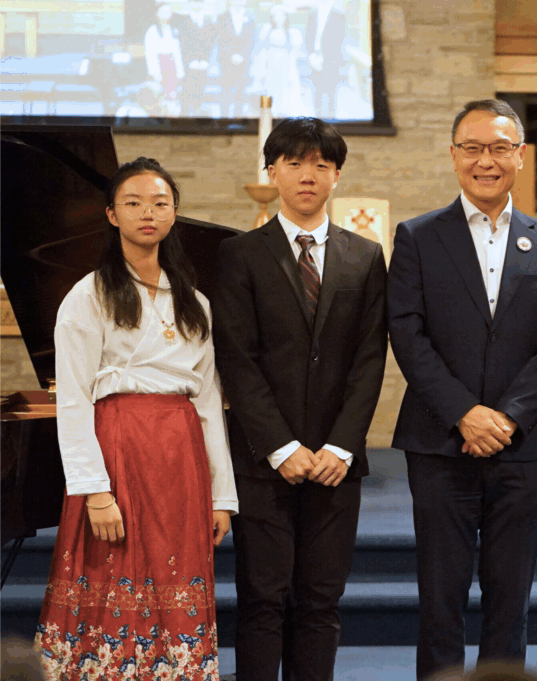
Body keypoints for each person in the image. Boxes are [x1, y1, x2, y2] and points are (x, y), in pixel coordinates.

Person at [388, 99, 537, 679]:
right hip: (439, 442)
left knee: (510, 600)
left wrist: (508, 417)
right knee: (440, 599)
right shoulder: (418, 237)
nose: (486, 161)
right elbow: (407, 333)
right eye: (472, 148)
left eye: (499, 148)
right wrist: (464, 413)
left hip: (524, 446)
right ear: (453, 156)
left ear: (520, 157)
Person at [34, 157, 237, 680]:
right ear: (111, 214)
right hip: (119, 448)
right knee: (113, 576)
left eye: (160, 203)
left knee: (177, 580)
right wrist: (94, 491)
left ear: (174, 213)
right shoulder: (89, 295)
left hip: (180, 454)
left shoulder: (194, 302)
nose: (148, 212)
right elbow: (73, 399)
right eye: (134, 202)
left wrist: (221, 495)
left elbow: (208, 402)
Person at [212, 117, 387, 681]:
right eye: (294, 163)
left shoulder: (366, 256)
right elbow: (237, 359)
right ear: (273, 172)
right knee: (263, 600)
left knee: (320, 601)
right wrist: (281, 447)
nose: (307, 175)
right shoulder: (240, 254)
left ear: (337, 175)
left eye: (320, 164)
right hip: (264, 462)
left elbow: (369, 359)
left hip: (337, 462)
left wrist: (341, 446)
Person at [143, 4, 184, 114]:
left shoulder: (173, 30)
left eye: (168, 13)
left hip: (172, 66)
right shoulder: (152, 31)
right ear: (157, 14)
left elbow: (177, 52)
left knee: (173, 95)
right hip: (161, 66)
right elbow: (150, 54)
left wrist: (180, 71)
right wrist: (155, 72)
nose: (165, 15)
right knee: (160, 95)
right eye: (163, 12)